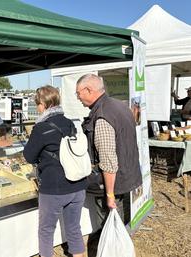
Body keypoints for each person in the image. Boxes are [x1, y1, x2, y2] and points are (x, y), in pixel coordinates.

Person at [23, 85, 86, 257]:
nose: (37, 107)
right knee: (74, 228)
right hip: (78, 185)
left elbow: (28, 156)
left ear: (42, 104)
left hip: (54, 188)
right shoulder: (69, 122)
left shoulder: (41, 128)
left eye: (37, 104)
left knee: (46, 231)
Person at [75, 74, 142, 227]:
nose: (78, 97)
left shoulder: (102, 115)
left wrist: (109, 194)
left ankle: (112, 251)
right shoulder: (120, 106)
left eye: (78, 93)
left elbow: (107, 159)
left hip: (113, 182)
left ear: (88, 90)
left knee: (110, 227)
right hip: (128, 176)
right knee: (121, 223)